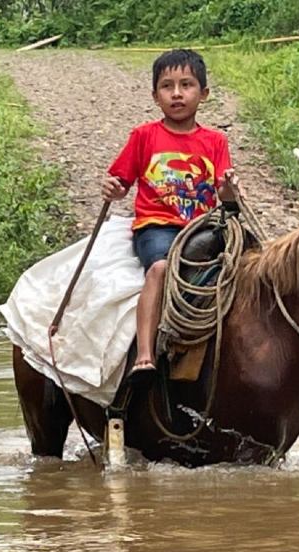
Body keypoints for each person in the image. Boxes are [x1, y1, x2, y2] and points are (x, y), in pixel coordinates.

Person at [102, 49, 237, 380]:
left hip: (202, 227)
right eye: (167, 86)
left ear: (203, 94)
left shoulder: (215, 140)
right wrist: (113, 189)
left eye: (187, 84)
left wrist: (231, 188)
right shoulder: (144, 136)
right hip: (157, 226)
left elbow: (224, 193)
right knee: (159, 268)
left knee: (255, 266)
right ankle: (145, 354)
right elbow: (121, 181)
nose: (177, 93)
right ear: (155, 95)